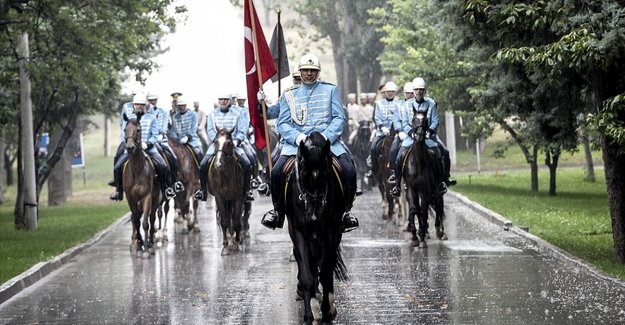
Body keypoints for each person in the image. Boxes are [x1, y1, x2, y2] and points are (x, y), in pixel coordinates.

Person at [260, 53, 360, 233]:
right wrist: (297, 137)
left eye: (313, 70)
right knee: (276, 172)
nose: (309, 74)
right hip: (296, 144)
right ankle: (278, 212)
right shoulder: (289, 95)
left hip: (328, 143)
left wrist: (326, 137)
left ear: (318, 72)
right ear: (300, 71)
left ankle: (346, 212)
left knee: (349, 169)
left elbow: (339, 118)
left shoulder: (330, 90)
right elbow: (281, 123)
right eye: (305, 70)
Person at [390, 77, 456, 197]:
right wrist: (411, 133)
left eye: (421, 90)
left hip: (428, 137)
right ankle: (397, 186)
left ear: (424, 91)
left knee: (443, 152)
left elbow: (435, 120)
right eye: (417, 90)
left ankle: (443, 181)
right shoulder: (407, 105)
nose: (419, 92)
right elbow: (405, 122)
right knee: (399, 157)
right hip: (411, 138)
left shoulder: (431, 103)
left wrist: (429, 132)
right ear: (413, 91)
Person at [110, 93, 176, 201]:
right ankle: (119, 190)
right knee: (117, 166)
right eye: (137, 104)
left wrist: (148, 143)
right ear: (134, 105)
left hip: (149, 148)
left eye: (141, 104)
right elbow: (124, 133)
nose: (139, 106)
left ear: (145, 105)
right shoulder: (129, 120)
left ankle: (166, 188)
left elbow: (154, 135)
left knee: (163, 165)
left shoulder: (152, 118)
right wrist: (128, 143)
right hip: (132, 149)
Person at [194, 93, 255, 202]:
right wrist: (216, 140)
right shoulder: (212, 114)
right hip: (217, 144)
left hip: (233, 144)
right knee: (203, 164)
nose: (223, 102)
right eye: (221, 99)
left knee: (247, 163)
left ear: (229, 101)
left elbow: (241, 129)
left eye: (225, 100)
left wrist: (237, 140)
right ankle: (203, 191)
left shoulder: (237, 113)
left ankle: (247, 190)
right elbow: (211, 130)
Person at [147, 92, 184, 193]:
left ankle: (175, 181)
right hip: (146, 142)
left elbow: (164, 126)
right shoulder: (144, 113)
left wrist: (160, 134)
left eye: (154, 100)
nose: (152, 102)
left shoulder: (163, 112)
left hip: (160, 140)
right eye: (150, 100)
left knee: (173, 158)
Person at [364, 81, 401, 178]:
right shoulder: (378, 103)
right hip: (382, 132)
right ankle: (373, 169)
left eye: (392, 91)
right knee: (373, 148)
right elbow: (377, 118)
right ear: (385, 92)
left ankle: (398, 169)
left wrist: (398, 129)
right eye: (388, 91)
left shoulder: (399, 103)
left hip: (396, 132)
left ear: (395, 92)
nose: (390, 93)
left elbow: (400, 117)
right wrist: (382, 127)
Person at [231, 92, 265, 195]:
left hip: (242, 139)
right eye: (232, 99)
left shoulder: (244, 111)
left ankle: (255, 177)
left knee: (252, 154)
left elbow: (246, 124)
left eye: (234, 99)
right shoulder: (227, 111)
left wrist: (242, 135)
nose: (239, 101)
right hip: (228, 139)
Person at [387, 82, 414, 183]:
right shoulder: (399, 105)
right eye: (408, 93)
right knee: (393, 151)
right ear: (404, 94)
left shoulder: (419, 103)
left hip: (419, 134)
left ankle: (442, 177)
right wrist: (399, 131)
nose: (410, 95)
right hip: (403, 134)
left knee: (441, 150)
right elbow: (396, 120)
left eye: (412, 93)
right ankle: (395, 174)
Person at [170, 97, 204, 168]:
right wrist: (177, 139)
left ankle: (201, 171)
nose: (181, 107)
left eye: (182, 105)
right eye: (179, 105)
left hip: (192, 140)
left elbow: (193, 128)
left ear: (185, 105)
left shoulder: (193, 114)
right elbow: (173, 131)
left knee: (199, 152)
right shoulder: (174, 116)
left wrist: (187, 137)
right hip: (178, 142)